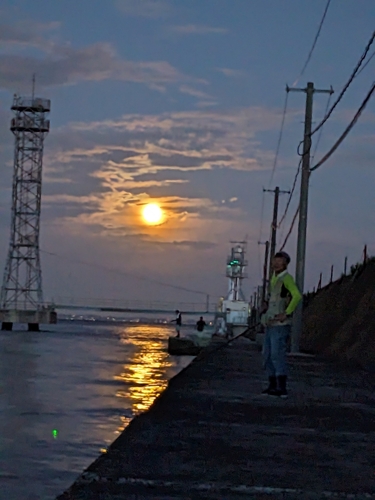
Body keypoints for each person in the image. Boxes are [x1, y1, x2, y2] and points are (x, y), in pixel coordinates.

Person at [261, 251, 301, 398]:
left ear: (285, 263)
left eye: (280, 261)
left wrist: (287, 313)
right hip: (270, 323)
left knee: (277, 354)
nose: (276, 263)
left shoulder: (286, 278)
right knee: (267, 354)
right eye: (275, 261)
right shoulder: (274, 278)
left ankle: (281, 388)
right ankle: (272, 385)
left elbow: (297, 295)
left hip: (280, 324)